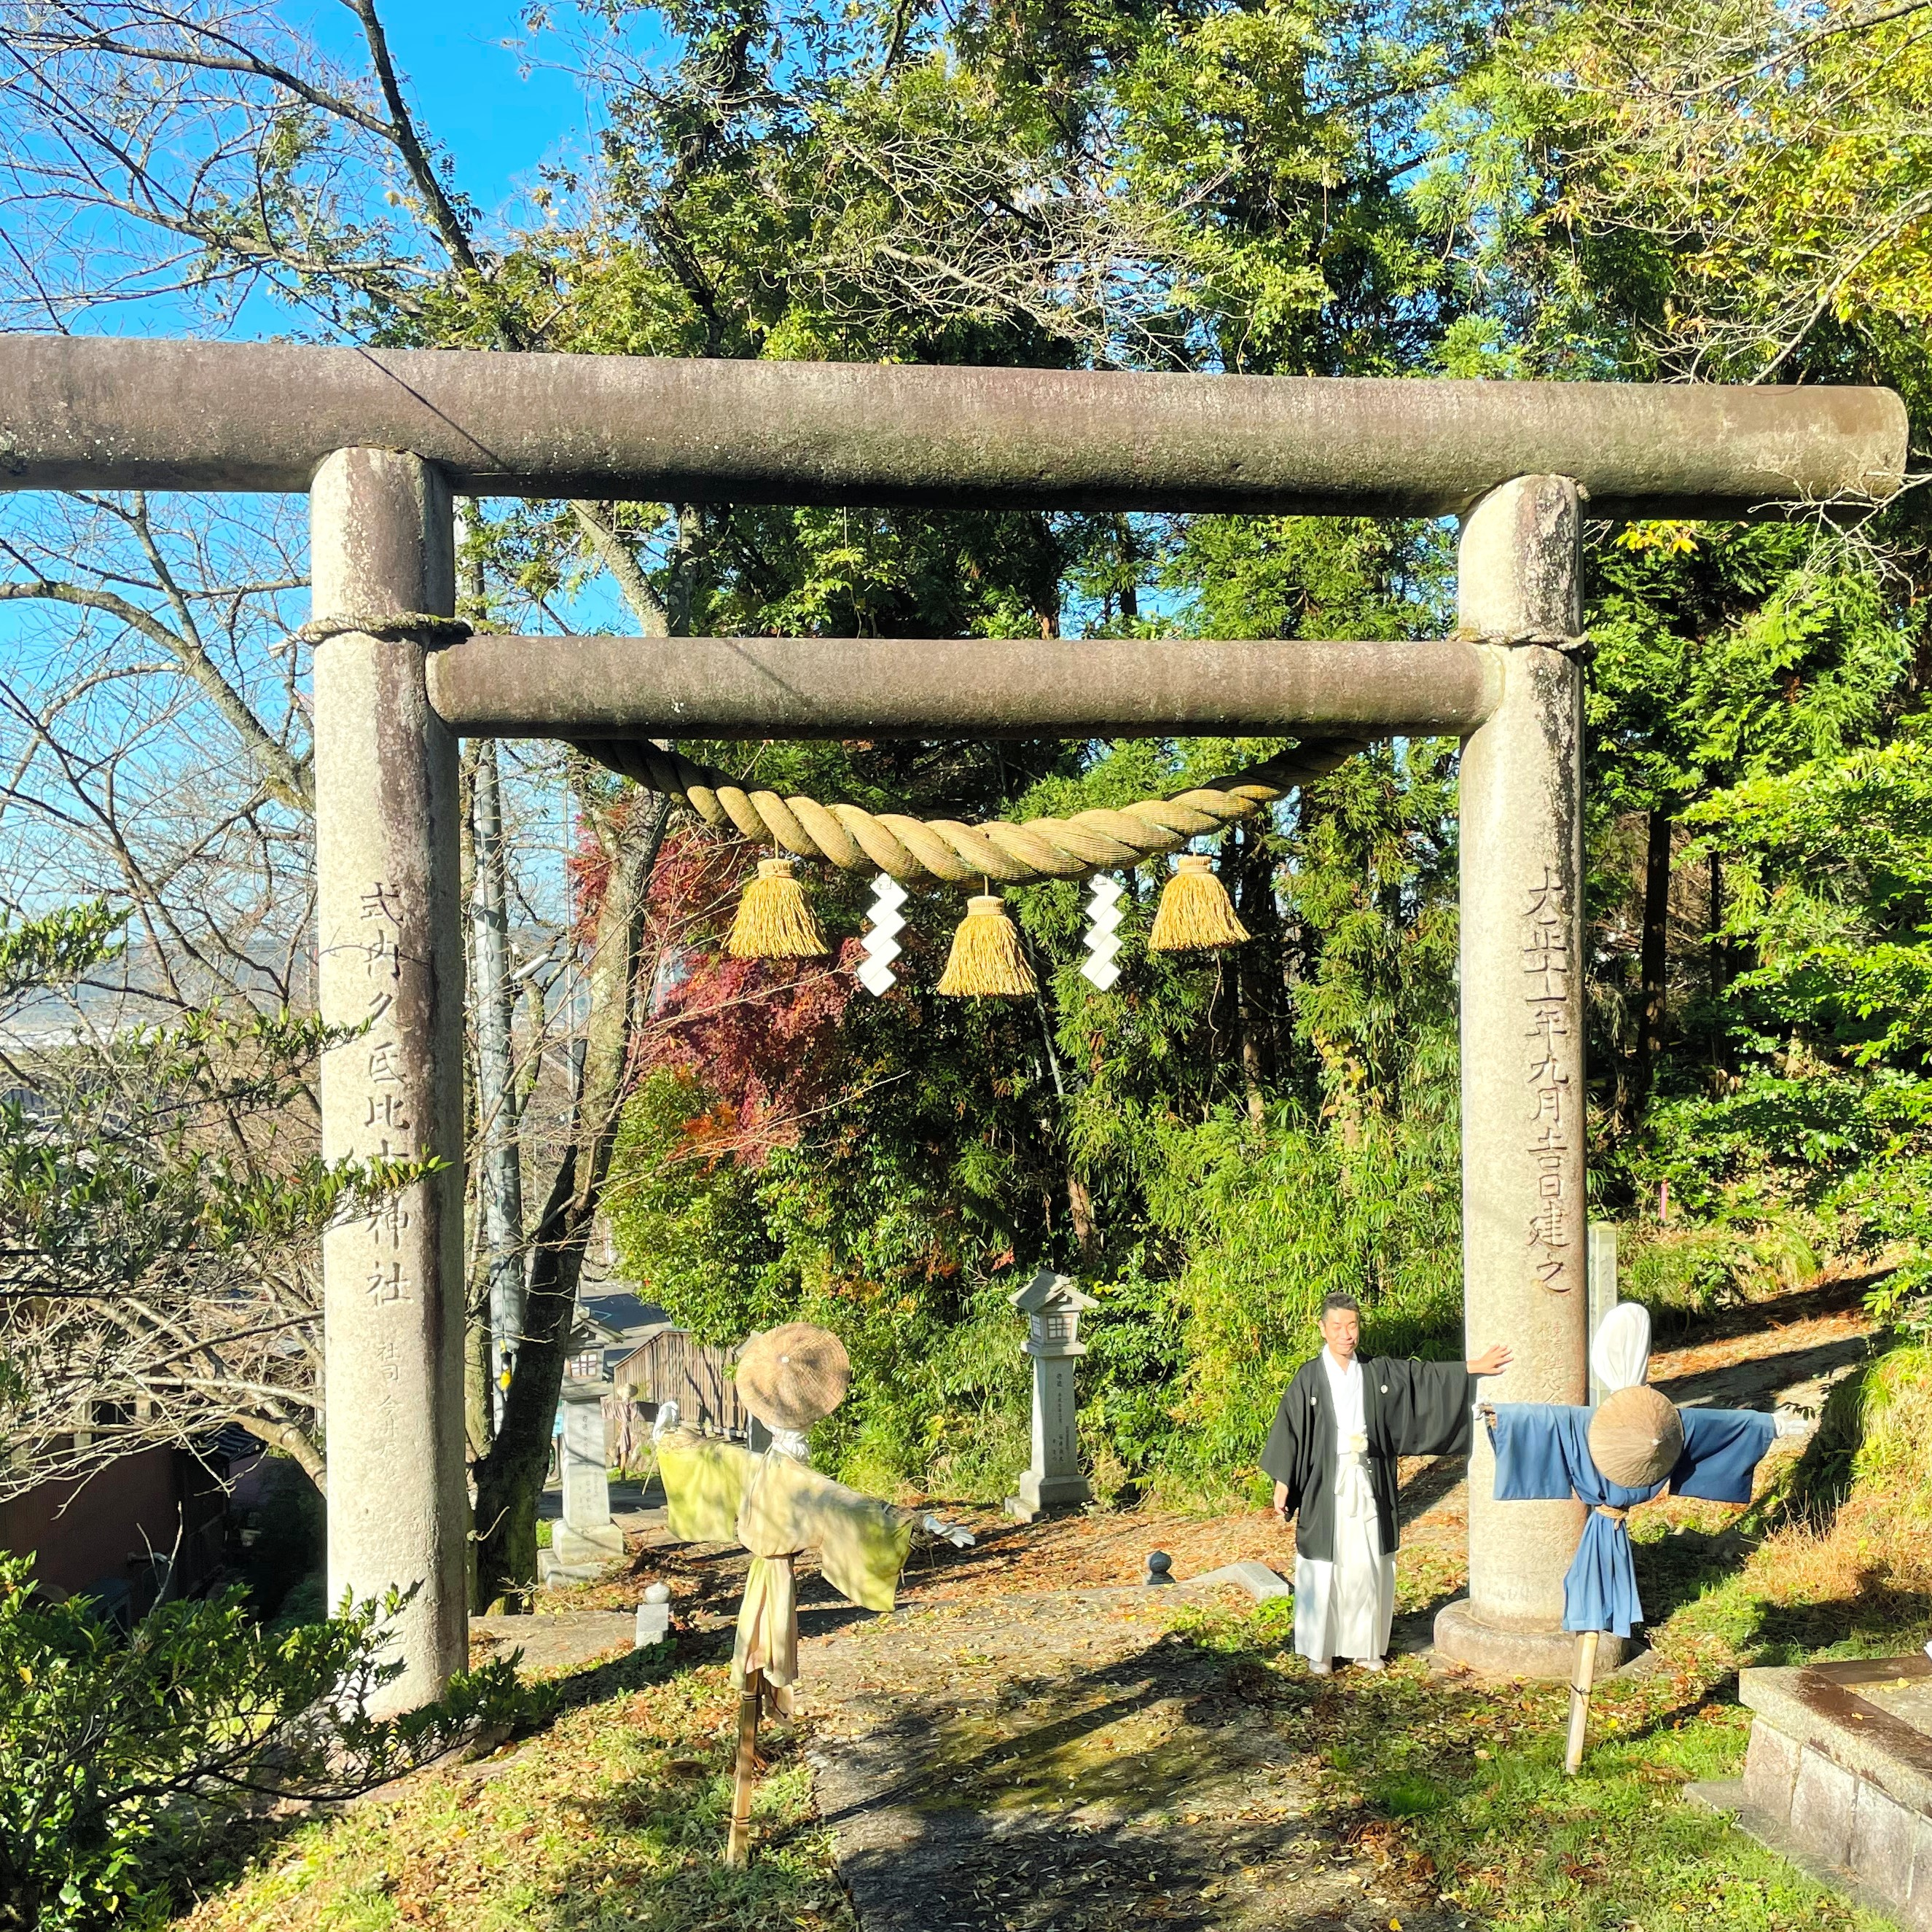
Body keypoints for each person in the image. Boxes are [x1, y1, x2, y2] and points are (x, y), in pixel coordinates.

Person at [1262, 1291, 1512, 1675]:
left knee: (1367, 1563)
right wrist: (1284, 1482)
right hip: (1324, 1486)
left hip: (1369, 1480)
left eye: (1353, 1326)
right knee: (1324, 1566)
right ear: (1323, 1329)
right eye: (1338, 1327)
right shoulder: (1308, 1377)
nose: (1347, 1335)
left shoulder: (1377, 1371)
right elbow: (1291, 1430)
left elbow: (1422, 1378)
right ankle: (1321, 1649)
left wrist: (1474, 1366)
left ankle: (1365, 1647)